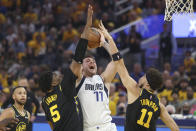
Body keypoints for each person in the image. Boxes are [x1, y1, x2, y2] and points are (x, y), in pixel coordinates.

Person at [100, 22, 179, 131]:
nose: (140, 77)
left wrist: (108, 38)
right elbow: (175, 128)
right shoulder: (159, 105)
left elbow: (119, 62)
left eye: (144, 77)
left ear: (147, 83)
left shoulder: (135, 90)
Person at [39, 5, 94, 131]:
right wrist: (87, 25)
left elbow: (51, 125)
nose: (58, 75)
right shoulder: (63, 88)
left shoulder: (44, 101)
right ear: (52, 83)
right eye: (55, 75)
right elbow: (78, 55)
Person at [73, 20, 119, 131]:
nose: (92, 62)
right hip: (89, 128)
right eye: (87, 61)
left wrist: (104, 44)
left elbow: (117, 61)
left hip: (108, 127)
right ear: (82, 67)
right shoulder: (79, 81)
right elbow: (77, 59)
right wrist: (85, 39)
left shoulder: (103, 79)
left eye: (93, 61)